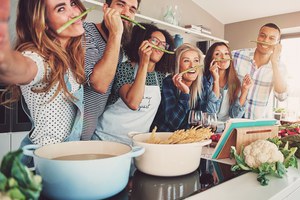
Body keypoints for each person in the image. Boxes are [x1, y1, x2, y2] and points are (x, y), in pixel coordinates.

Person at [0, 0, 87, 165]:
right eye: (61, 9)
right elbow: (21, 68)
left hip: (65, 160)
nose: (75, 13)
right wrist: (3, 59)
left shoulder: (69, 57)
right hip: (45, 164)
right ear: (44, 23)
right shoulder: (39, 58)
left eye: (73, 3)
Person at [93, 23, 174, 145]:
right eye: (155, 41)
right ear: (142, 42)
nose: (160, 47)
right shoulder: (124, 68)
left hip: (136, 143)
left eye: (163, 44)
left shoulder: (161, 77)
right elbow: (133, 102)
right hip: (106, 139)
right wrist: (143, 63)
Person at [81, 0, 141, 140]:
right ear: (106, 8)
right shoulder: (84, 32)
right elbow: (100, 84)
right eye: (120, 4)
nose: (126, 13)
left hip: (88, 135)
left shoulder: (117, 50)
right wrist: (116, 33)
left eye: (132, 10)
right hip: (65, 135)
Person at [152, 43, 221, 132]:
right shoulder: (168, 83)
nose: (192, 66)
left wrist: (216, 80)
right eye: (186, 61)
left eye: (196, 60)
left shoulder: (202, 82)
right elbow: (174, 124)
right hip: (166, 139)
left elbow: (209, 114)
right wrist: (185, 94)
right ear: (178, 65)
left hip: (190, 139)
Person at [232, 23, 288, 119]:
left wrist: (274, 62)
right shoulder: (236, 55)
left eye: (271, 38)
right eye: (263, 36)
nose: (266, 40)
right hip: (232, 120)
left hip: (258, 124)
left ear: (277, 43)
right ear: (258, 37)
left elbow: (281, 96)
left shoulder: (280, 67)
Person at [204, 42, 253, 121]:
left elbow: (235, 115)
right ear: (211, 59)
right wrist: (216, 80)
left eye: (226, 53)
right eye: (217, 54)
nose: (223, 57)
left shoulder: (236, 82)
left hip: (225, 130)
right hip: (206, 130)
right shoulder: (204, 82)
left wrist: (244, 91)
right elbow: (211, 114)